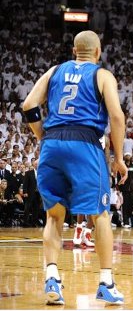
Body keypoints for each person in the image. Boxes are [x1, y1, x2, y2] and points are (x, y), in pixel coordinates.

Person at [23, 30, 127, 305]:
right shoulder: (102, 75)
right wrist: (119, 158)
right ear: (98, 52)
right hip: (85, 144)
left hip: (53, 144)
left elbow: (29, 105)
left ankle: (52, 278)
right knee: (101, 214)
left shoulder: (54, 71)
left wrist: (41, 136)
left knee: (54, 217)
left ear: (73, 50)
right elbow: (116, 117)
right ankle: (106, 282)